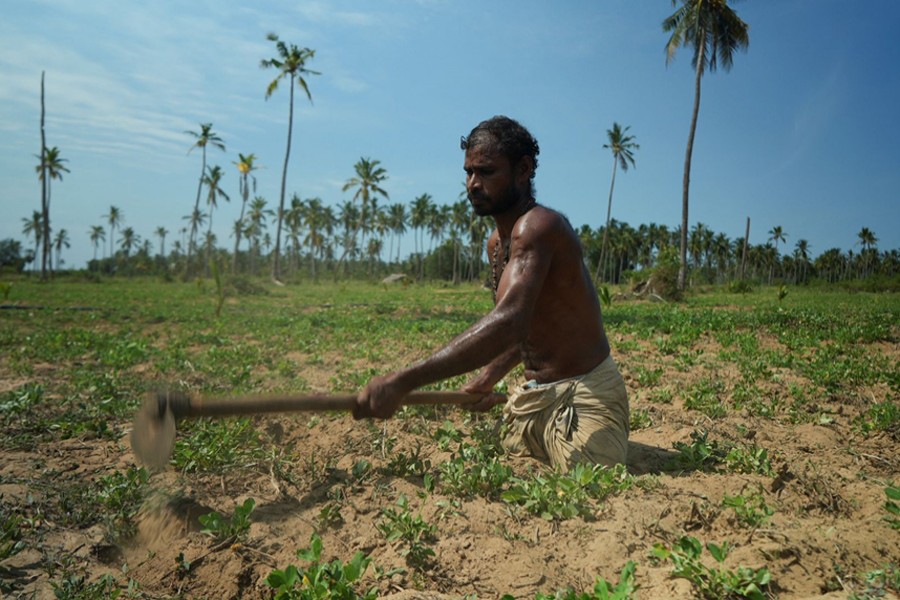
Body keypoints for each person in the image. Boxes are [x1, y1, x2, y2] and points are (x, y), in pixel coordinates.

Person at [354, 116, 629, 470]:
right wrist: (487, 379)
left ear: (524, 169)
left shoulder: (540, 227)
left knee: (589, 479)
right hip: (537, 396)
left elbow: (509, 322)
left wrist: (404, 381)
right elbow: (524, 330)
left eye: (485, 172)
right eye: (468, 172)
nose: (472, 184)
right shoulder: (496, 243)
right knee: (511, 459)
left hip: (586, 392)